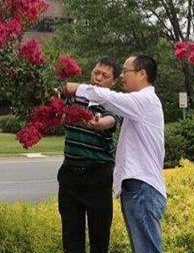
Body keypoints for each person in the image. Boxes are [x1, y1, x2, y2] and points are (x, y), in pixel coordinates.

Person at [64, 54, 166, 253]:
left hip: (142, 189)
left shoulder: (144, 101)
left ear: (142, 74)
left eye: (126, 71)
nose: (122, 77)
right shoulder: (142, 103)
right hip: (137, 188)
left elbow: (110, 99)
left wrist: (75, 88)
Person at [58, 56, 120, 253]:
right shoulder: (75, 95)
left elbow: (110, 121)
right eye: (96, 73)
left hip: (98, 179)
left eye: (105, 75)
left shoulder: (114, 102)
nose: (99, 78)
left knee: (99, 240)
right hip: (70, 177)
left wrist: (100, 124)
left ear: (114, 81)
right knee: (71, 239)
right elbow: (57, 95)